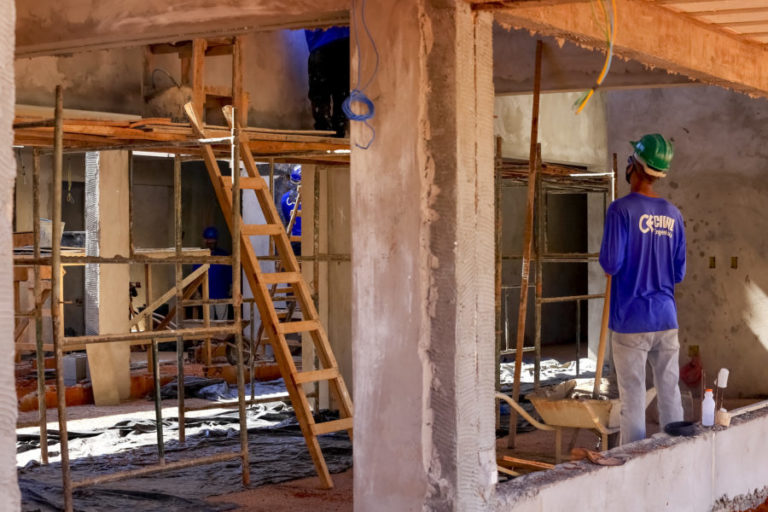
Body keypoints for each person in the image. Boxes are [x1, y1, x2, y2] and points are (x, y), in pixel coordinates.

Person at [599, 133, 686, 444]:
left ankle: (634, 465)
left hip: (631, 318)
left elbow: (611, 264)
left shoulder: (620, 210)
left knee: (633, 399)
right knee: (669, 391)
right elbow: (679, 272)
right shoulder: (674, 214)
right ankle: (677, 454)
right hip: (666, 317)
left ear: (634, 166)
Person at [304, 27, 350, 137]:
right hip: (342, 40)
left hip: (320, 44)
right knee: (341, 93)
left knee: (320, 96)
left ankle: (326, 133)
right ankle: (337, 133)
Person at [198, 226, 232, 320]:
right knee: (208, 322)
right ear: (204, 240)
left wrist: (232, 287)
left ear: (216, 240)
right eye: (208, 240)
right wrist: (196, 292)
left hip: (221, 294)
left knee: (222, 322)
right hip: (206, 295)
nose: (210, 242)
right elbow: (195, 277)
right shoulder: (200, 256)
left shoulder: (224, 255)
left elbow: (230, 273)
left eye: (212, 240)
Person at [280, 167, 302, 255]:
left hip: (293, 240)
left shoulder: (284, 198)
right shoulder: (312, 197)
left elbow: (287, 220)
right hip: (309, 240)